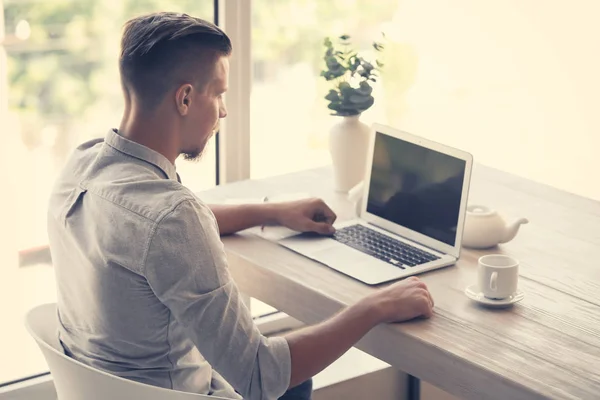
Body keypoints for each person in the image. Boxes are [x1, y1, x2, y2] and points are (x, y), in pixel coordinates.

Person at [47, 12, 434, 400]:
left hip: (103, 386)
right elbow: (260, 376)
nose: (223, 111)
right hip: (177, 392)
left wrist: (272, 211)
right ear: (184, 98)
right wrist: (373, 307)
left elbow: (150, 232)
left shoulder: (82, 166)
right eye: (218, 94)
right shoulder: (173, 219)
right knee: (291, 380)